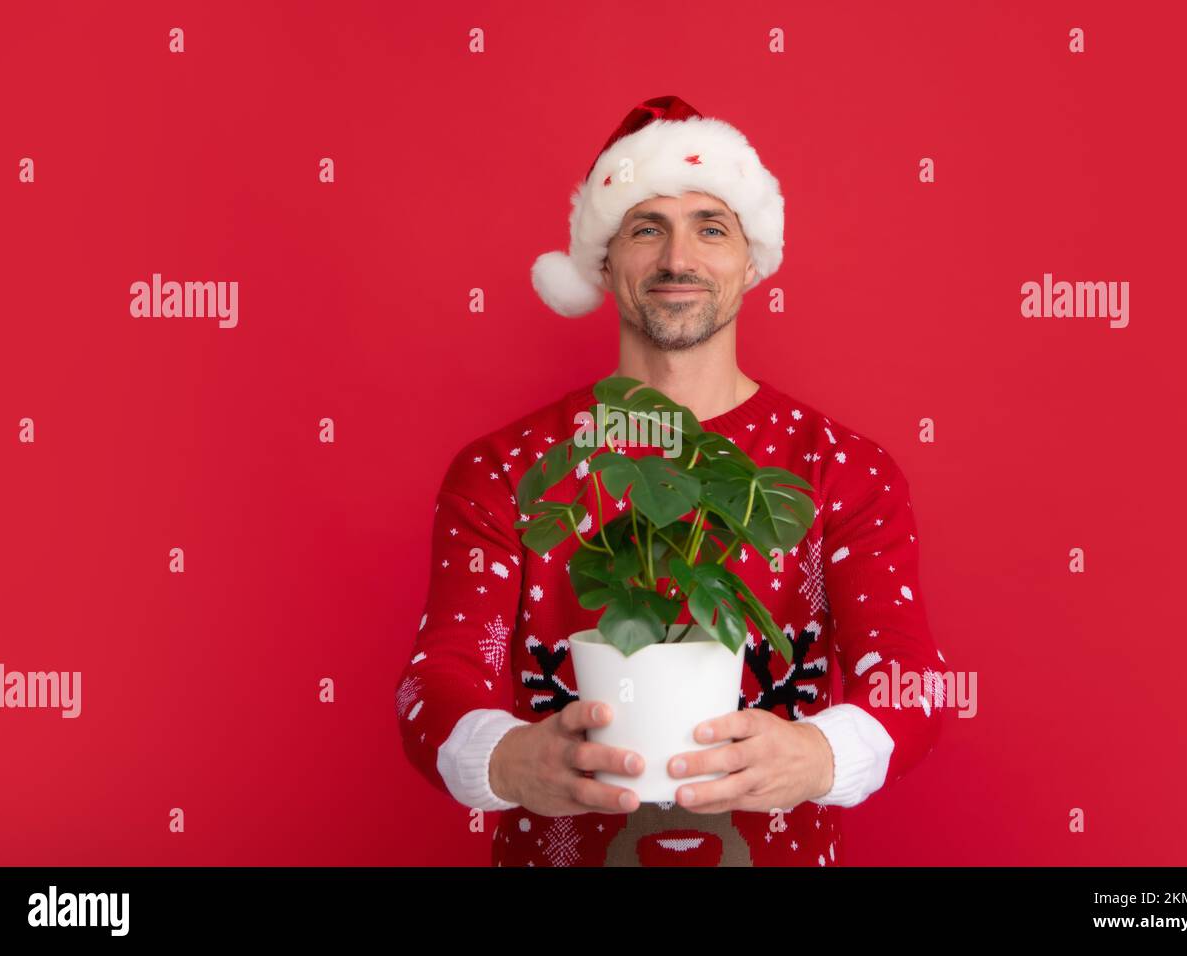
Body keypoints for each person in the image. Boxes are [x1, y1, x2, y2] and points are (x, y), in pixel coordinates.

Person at [395, 95, 947, 866]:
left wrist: (823, 755)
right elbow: (438, 675)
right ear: (604, 260)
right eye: (646, 228)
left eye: (710, 228)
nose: (678, 260)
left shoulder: (844, 469)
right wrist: (500, 756)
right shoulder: (505, 469)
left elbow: (912, 678)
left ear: (751, 258)